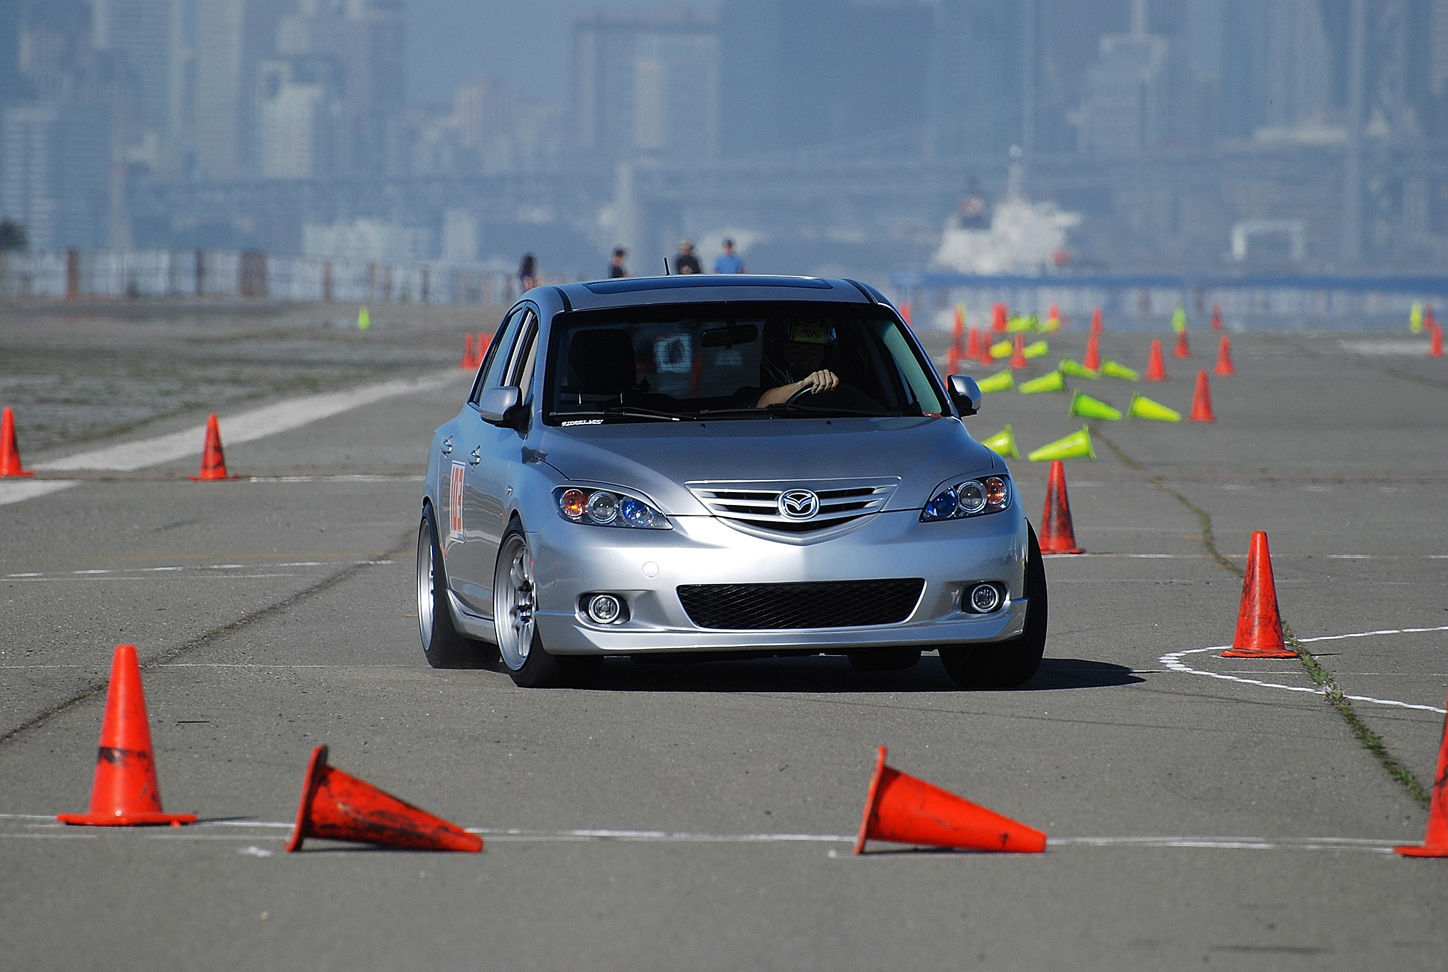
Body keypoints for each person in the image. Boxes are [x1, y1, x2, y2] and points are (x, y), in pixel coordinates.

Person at [754, 320, 840, 406]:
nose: (805, 361)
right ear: (777, 354)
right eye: (795, 353)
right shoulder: (747, 395)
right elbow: (760, 405)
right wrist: (803, 385)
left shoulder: (839, 394)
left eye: (814, 354)